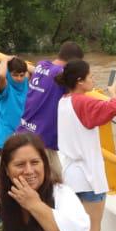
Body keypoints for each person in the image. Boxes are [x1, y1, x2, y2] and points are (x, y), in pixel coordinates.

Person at [55, 60, 116, 231]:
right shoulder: (84, 102)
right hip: (89, 177)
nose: (93, 81)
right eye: (90, 77)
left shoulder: (64, 102)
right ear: (79, 82)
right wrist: (113, 94)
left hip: (70, 175)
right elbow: (115, 108)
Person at [16, 41, 83, 173]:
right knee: (54, 184)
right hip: (42, 140)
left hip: (24, 131)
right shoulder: (62, 75)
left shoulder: (42, 65)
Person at [0, 56, 29, 152]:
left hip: (21, 137)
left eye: (21, 75)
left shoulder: (25, 83)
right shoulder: (6, 87)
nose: (19, 78)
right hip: (5, 139)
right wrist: (5, 59)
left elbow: (38, 71)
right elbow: (0, 75)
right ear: (8, 74)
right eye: (15, 75)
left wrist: (23, 64)